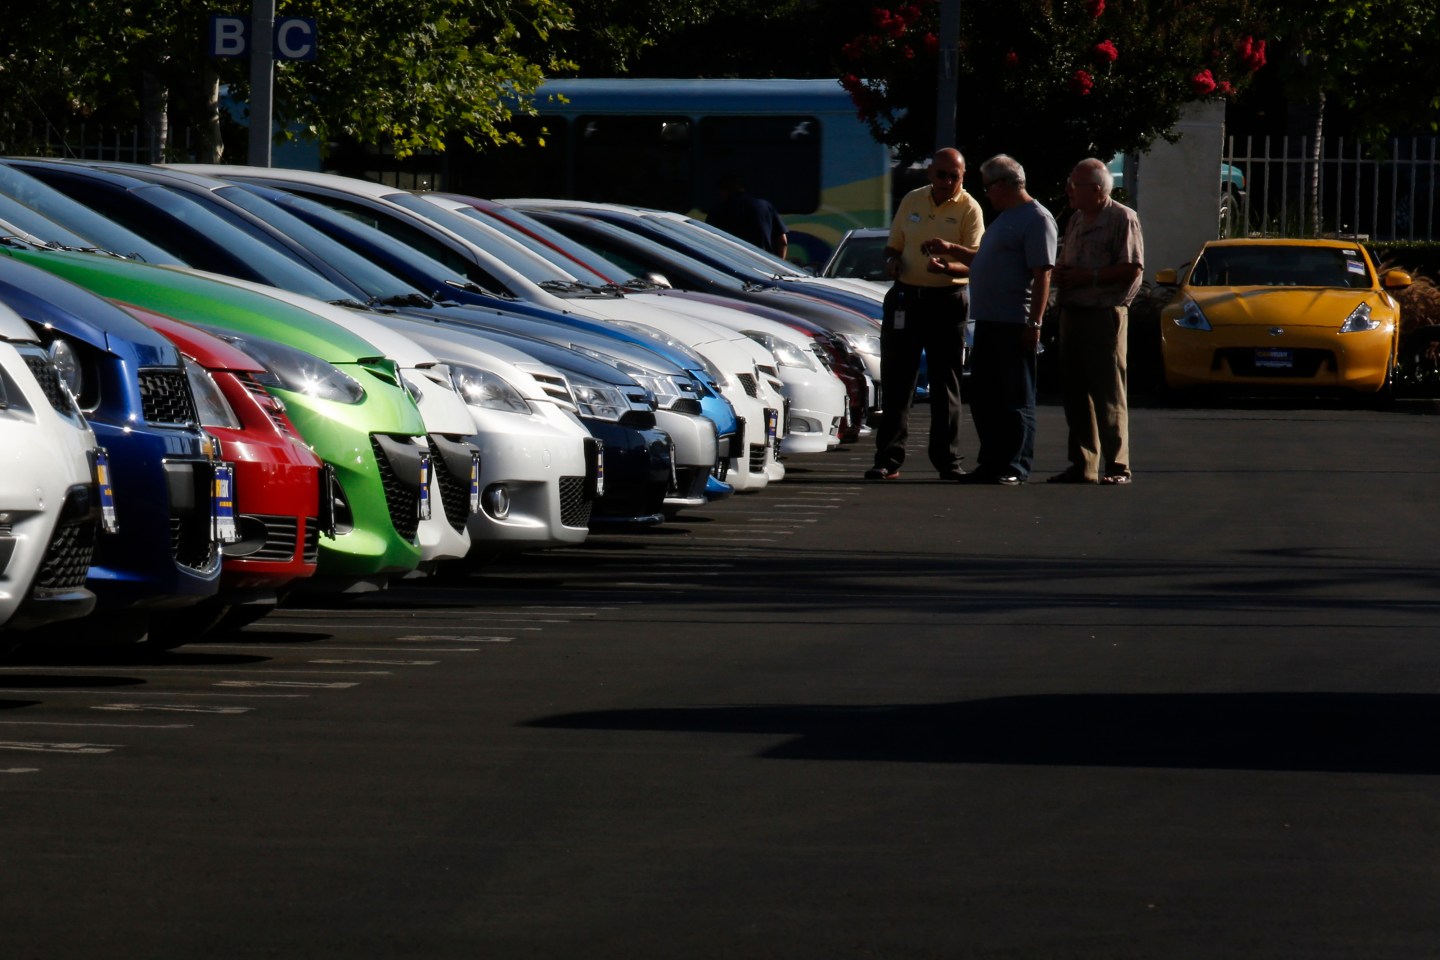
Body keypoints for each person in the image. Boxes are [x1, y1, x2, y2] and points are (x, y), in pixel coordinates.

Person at [928, 154, 1056, 484]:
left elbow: (1043, 274)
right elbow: (985, 259)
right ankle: (991, 462)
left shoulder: (1036, 219)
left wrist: (1035, 323)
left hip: (1015, 323)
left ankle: (1014, 465)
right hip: (988, 321)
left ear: (1002, 185)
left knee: (1015, 398)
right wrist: (951, 250)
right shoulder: (1004, 219)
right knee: (986, 398)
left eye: (988, 187)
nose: (986, 194)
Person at [864, 147, 985, 482]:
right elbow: (895, 244)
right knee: (897, 381)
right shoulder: (913, 200)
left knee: (946, 382)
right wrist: (891, 260)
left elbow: (974, 260)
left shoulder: (970, 209)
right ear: (930, 173)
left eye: (954, 176)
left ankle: (947, 460)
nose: (947, 181)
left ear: (963, 176)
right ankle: (888, 459)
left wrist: (946, 266)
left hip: (947, 300)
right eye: (942, 174)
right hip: (907, 299)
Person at [1047, 157, 1144, 485]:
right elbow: (1067, 260)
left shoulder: (1122, 218)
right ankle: (1083, 464)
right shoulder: (1075, 219)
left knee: (1108, 393)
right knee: (1075, 393)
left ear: (1099, 190)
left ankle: (1117, 466)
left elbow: (1132, 268)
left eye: (1076, 185)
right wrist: (1061, 274)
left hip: (1105, 313)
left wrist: (1089, 277)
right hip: (1072, 312)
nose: (1068, 191)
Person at [706, 174, 789, 260]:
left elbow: (708, 242)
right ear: (742, 188)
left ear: (723, 191)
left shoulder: (717, 211)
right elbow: (783, 242)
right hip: (763, 267)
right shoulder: (765, 206)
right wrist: (778, 266)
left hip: (730, 267)